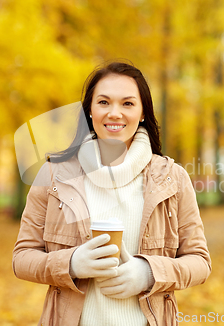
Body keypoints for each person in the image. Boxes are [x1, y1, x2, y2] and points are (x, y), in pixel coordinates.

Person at [12, 60, 211, 326]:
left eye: (127, 103)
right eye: (103, 102)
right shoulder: (53, 175)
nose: (114, 113)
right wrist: (70, 263)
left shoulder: (172, 179)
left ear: (142, 112)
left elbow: (200, 262)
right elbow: (22, 258)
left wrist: (148, 273)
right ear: (90, 111)